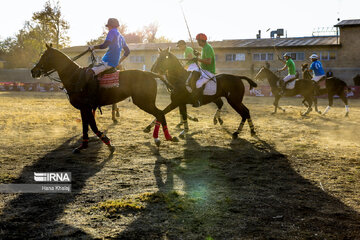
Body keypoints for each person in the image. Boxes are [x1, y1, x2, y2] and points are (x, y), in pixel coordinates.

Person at [85, 18, 130, 107]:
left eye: (108, 26)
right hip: (113, 63)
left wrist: (93, 47)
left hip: (107, 62)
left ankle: (92, 97)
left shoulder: (112, 32)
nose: (107, 28)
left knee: (89, 73)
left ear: (110, 26)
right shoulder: (121, 37)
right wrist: (118, 62)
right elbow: (127, 51)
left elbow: (104, 45)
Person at [187, 33, 216, 107]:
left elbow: (209, 62)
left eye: (198, 41)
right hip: (203, 70)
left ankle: (199, 101)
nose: (197, 42)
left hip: (209, 72)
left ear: (202, 40)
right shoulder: (204, 48)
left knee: (197, 84)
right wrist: (198, 54)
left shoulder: (208, 48)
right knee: (192, 75)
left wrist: (198, 59)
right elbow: (205, 57)